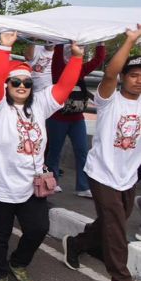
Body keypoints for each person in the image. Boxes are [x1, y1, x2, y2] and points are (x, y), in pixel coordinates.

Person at [0, 31, 82, 281]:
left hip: (29, 186)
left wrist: (77, 58)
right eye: (16, 82)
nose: (22, 86)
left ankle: (18, 264)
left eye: (27, 83)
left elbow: (64, 88)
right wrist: (5, 49)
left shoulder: (40, 105)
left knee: (38, 228)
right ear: (7, 84)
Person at [62, 26, 141, 281]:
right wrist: (130, 40)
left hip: (128, 176)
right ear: (123, 78)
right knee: (117, 226)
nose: (138, 81)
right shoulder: (109, 100)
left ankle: (78, 244)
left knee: (111, 222)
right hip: (102, 172)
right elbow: (108, 74)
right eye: (133, 75)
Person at [45, 43, 106, 198]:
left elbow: (98, 60)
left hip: (77, 118)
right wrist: (62, 38)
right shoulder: (58, 68)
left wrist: (101, 43)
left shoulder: (80, 69)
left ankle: (83, 186)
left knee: (82, 150)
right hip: (57, 117)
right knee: (54, 151)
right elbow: (58, 53)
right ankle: (53, 182)